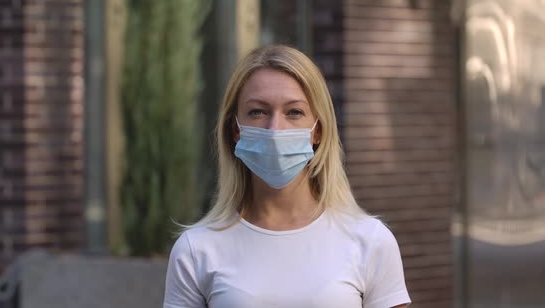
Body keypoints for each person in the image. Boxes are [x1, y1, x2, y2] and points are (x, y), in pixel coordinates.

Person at [163, 44, 411, 308]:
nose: (275, 129)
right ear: (236, 129)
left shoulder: (371, 242)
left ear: (317, 131)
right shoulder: (196, 250)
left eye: (294, 112)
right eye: (258, 112)